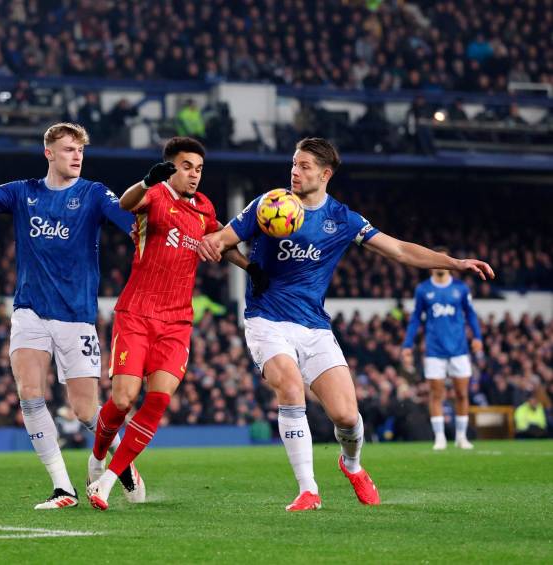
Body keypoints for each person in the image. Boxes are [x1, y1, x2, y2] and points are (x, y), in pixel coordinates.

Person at [197, 137, 494, 512]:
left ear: (325, 173)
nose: (295, 171)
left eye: (304, 166)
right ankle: (308, 489)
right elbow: (223, 240)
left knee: (346, 417)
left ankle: (351, 464)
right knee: (289, 385)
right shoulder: (268, 205)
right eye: (293, 163)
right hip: (266, 320)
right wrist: (225, 252)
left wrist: (454, 263)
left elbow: (400, 250)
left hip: (314, 326)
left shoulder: (342, 219)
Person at [0, 115, 143, 509]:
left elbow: (130, 224)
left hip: (77, 318)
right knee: (30, 393)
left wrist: (145, 228)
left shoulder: (94, 194)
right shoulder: (24, 193)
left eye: (81, 150)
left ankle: (122, 464)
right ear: (48, 153)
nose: (77, 156)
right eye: (70, 149)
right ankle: (63, 488)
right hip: (30, 313)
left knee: (87, 412)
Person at [86, 137, 263, 511]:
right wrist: (148, 181)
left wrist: (250, 269)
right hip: (136, 313)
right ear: (171, 167)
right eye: (187, 167)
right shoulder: (154, 195)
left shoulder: (204, 208)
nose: (194, 175)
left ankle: (106, 481)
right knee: (122, 400)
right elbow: (124, 204)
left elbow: (220, 240)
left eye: (199, 168)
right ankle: (98, 457)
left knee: (160, 398)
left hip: (177, 320)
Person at [402, 253, 483, 450]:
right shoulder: (423, 290)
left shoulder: (460, 288)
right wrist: (407, 344)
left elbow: (471, 314)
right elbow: (415, 319)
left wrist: (478, 337)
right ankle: (439, 437)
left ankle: (461, 437)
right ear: (431, 264)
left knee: (462, 393)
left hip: (459, 349)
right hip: (434, 350)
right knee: (436, 395)